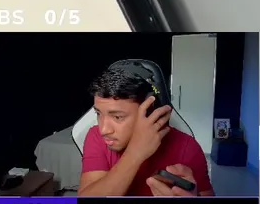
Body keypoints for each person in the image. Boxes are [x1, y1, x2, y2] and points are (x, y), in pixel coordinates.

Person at [79, 64, 214, 197]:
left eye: (118, 117)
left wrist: (193, 203)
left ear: (150, 112)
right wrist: (135, 153)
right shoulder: (96, 136)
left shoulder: (187, 147)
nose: (104, 130)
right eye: (98, 114)